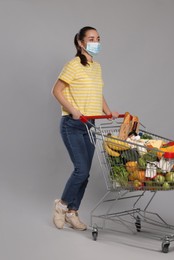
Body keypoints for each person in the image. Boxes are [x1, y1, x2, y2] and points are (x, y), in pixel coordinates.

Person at [51, 26, 118, 231]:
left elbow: (98, 93)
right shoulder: (72, 65)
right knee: (81, 170)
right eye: (91, 39)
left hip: (90, 125)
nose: (95, 42)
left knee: (86, 173)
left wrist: (108, 111)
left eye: (98, 38)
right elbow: (57, 90)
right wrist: (73, 110)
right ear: (81, 42)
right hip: (72, 125)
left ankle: (73, 212)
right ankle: (61, 206)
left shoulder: (96, 67)